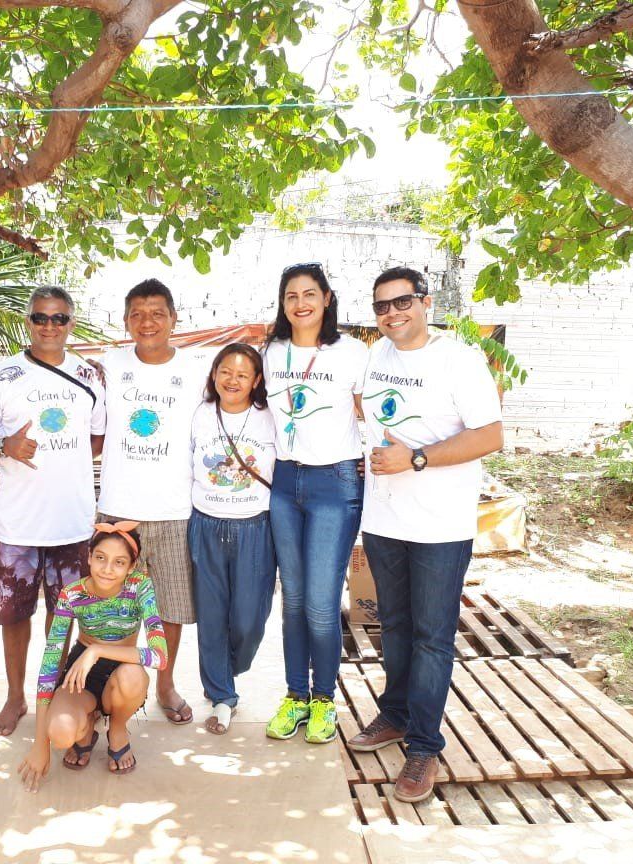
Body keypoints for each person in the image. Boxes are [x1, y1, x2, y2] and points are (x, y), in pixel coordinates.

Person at [347, 266, 503, 803]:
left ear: (426, 303)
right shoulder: (377, 356)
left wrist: (415, 458)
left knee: (432, 637)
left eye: (402, 302)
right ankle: (394, 715)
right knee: (393, 625)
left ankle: (423, 746)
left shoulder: (460, 359)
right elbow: (371, 414)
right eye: (382, 306)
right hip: (385, 519)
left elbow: (491, 435)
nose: (392, 313)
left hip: (440, 524)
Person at [0, 286, 107, 737]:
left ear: (72, 323)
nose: (49, 326)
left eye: (59, 318)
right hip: (18, 523)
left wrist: (63, 461)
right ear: (28, 321)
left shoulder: (90, 375)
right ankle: (15, 697)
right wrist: (6, 445)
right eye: (40, 318)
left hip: (71, 521)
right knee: (14, 616)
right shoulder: (4, 374)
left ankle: (48, 694)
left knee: (63, 615)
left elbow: (97, 439)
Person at [96, 279, 211, 725]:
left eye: (157, 313)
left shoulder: (197, 370)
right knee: (115, 607)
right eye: (138, 314)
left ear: (173, 319)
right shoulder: (109, 365)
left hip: (173, 509)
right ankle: (114, 686)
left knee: (170, 609)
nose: (147, 322)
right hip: (119, 511)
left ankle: (165, 684)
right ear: (126, 321)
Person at [262, 262, 368, 744]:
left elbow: (372, 413)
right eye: (291, 296)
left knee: (322, 604)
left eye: (309, 294)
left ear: (326, 298)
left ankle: (324, 698)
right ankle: (295, 696)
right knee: (293, 600)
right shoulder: (272, 352)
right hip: (285, 482)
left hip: (334, 483)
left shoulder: (353, 352)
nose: (300, 303)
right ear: (283, 304)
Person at [18, 523, 167, 790]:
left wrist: (97, 650)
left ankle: (117, 728)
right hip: (81, 672)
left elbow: (159, 657)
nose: (107, 569)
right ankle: (86, 727)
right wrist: (40, 744)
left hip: (123, 668)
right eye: (100, 558)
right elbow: (49, 666)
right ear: (88, 557)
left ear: (131, 566)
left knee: (132, 676)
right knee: (60, 733)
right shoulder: (72, 594)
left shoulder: (140, 586)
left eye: (119, 562)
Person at [187, 343, 277, 735]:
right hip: (205, 523)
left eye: (242, 374)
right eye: (225, 372)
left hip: (254, 527)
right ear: (214, 374)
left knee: (248, 620)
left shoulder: (269, 417)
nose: (232, 380)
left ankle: (229, 667)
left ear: (256, 381)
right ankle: (222, 695)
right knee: (211, 617)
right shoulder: (199, 414)